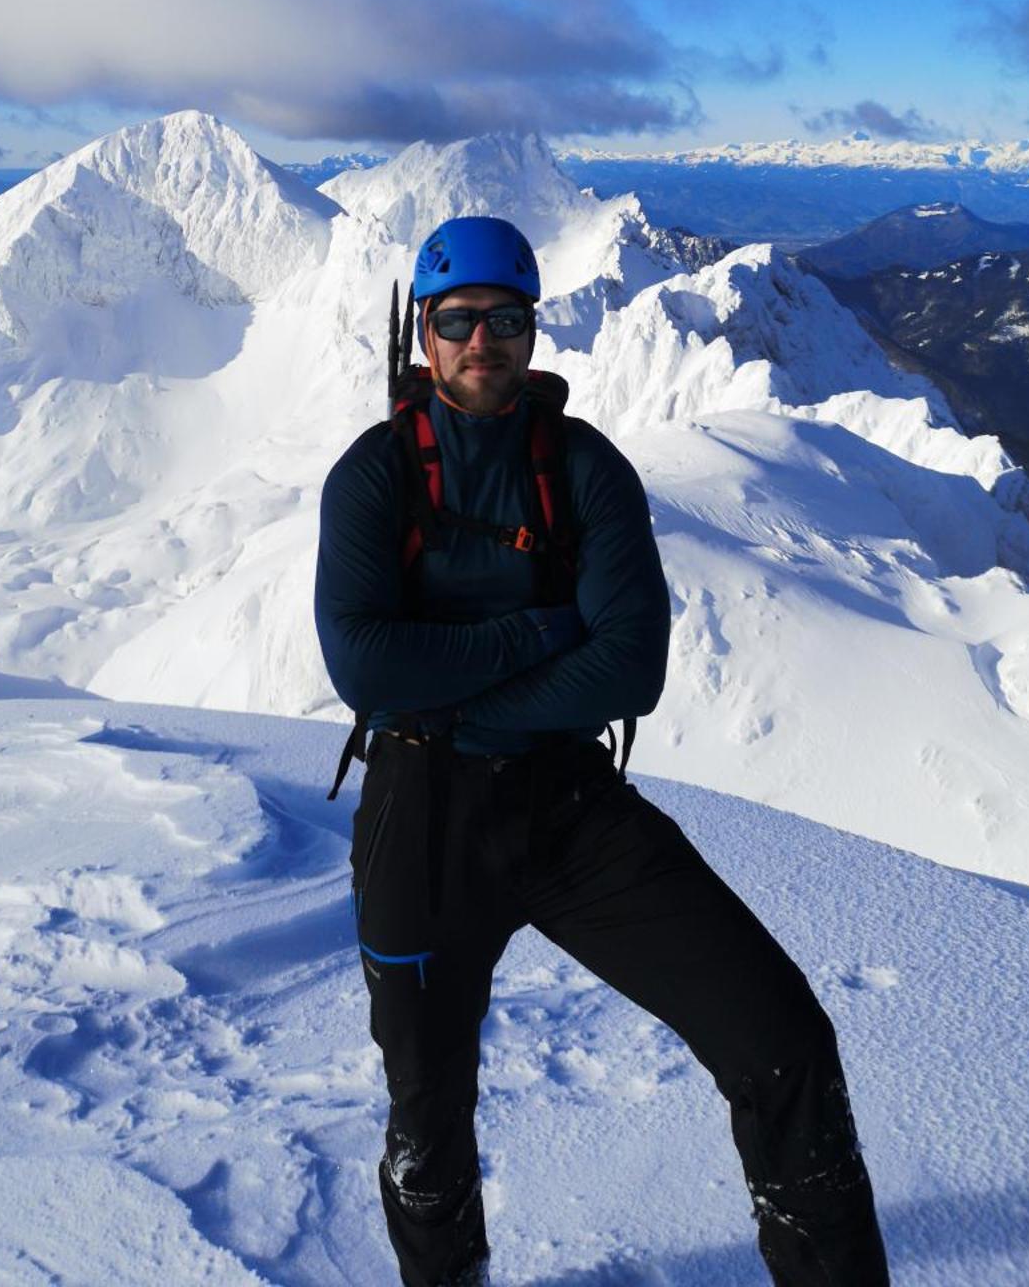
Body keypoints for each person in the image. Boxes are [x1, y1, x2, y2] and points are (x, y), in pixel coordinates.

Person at [315, 215, 891, 1287]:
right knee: (426, 1114)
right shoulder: (374, 478)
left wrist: (452, 681)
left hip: (567, 804)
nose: (483, 338)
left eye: (507, 317)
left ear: (534, 330)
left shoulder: (584, 469)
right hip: (422, 817)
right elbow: (362, 666)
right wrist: (536, 635)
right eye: (459, 318)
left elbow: (631, 669)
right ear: (424, 336)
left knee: (783, 1040)